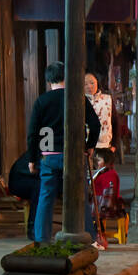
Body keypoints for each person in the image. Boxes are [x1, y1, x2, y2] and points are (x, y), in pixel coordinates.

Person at [27, 61, 101, 244]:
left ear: (48, 80)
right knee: (80, 196)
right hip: (74, 155)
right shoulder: (77, 99)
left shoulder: (41, 101)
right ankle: (89, 237)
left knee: (46, 197)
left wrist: (32, 159)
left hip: (49, 155)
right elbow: (95, 125)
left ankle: (42, 238)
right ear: (67, 78)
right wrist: (89, 146)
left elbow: (33, 133)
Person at [7, 151, 40, 239]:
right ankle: (32, 227)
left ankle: (39, 225)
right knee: (38, 188)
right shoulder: (38, 152)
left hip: (27, 180)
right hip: (18, 184)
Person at [91, 148, 125, 223]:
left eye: (99, 160)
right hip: (101, 203)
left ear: (107, 162)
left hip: (104, 207)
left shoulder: (109, 175)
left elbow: (108, 196)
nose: (96, 163)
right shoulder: (104, 172)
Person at [85, 71, 113, 150]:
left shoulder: (107, 99)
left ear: (97, 82)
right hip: (84, 145)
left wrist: (114, 144)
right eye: (85, 84)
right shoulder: (79, 102)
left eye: (92, 83)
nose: (89, 86)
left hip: (105, 145)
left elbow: (114, 121)